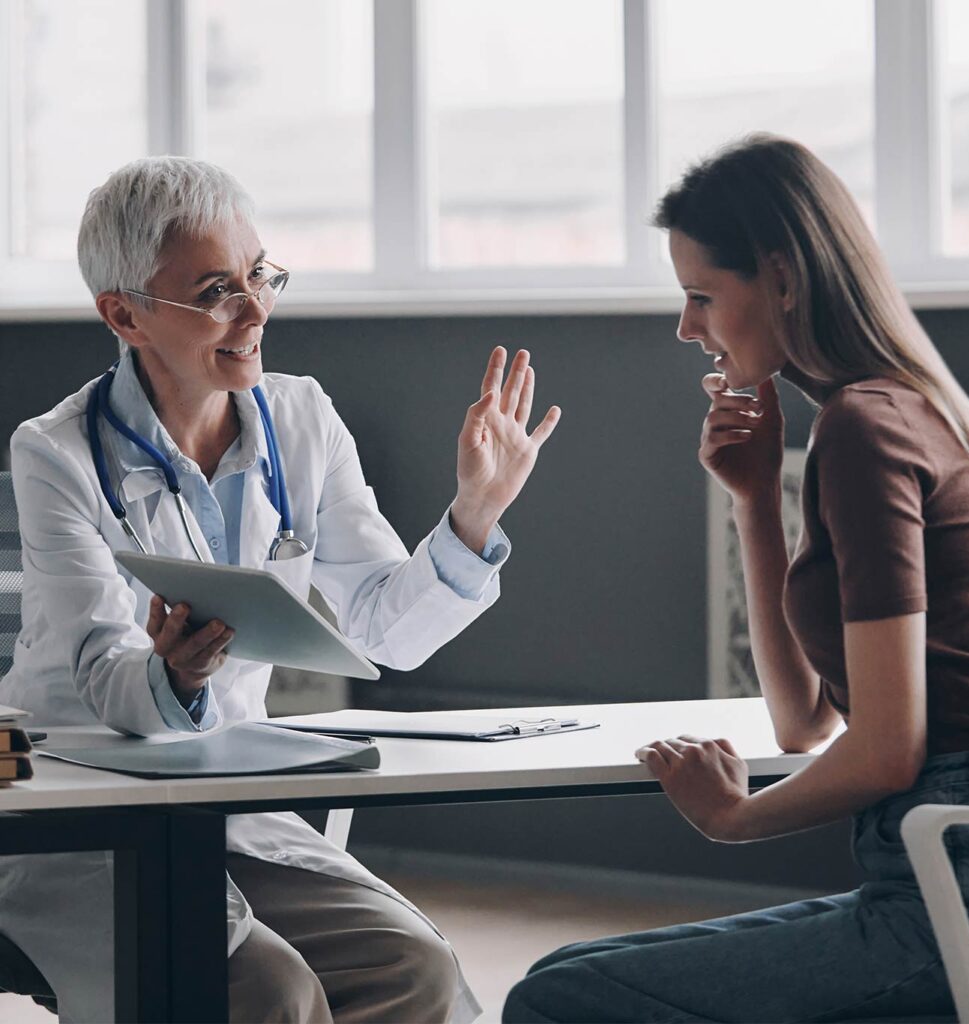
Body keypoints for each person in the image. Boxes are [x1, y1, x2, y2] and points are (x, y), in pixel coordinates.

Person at [0, 155, 561, 1024]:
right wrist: (174, 677)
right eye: (218, 289)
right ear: (125, 314)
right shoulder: (57, 454)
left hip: (225, 804)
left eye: (260, 273)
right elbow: (106, 676)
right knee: (269, 989)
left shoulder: (301, 419)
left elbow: (384, 631)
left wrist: (473, 516)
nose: (257, 310)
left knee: (415, 966)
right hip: (79, 806)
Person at [503, 133, 969, 1022]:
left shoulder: (866, 427)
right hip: (958, 872)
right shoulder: (902, 410)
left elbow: (889, 748)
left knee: (560, 999)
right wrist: (753, 499)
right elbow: (807, 719)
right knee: (569, 975)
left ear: (782, 277)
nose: (687, 328)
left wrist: (734, 817)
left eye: (701, 296)